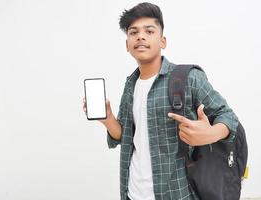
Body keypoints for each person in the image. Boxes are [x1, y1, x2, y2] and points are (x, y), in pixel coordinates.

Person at [83, 2, 238, 200]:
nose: (140, 36)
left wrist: (211, 133)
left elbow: (228, 115)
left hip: (176, 194)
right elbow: (125, 136)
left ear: (162, 41)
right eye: (133, 32)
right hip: (132, 192)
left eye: (149, 31)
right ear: (127, 45)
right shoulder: (130, 85)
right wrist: (108, 119)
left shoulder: (188, 78)